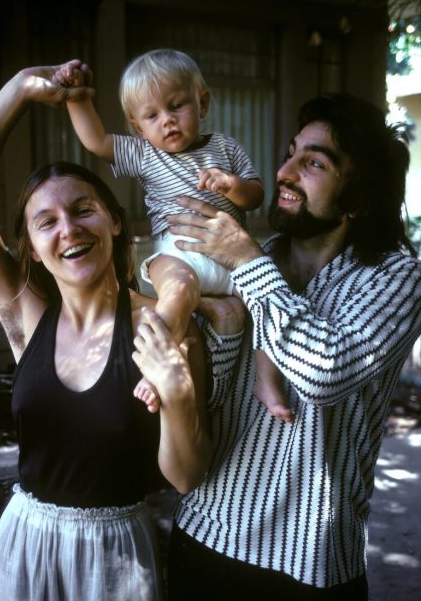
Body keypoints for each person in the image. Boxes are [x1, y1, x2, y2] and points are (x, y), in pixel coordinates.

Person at [0, 64, 216, 601]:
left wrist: (179, 396)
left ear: (115, 220)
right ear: (33, 250)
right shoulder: (27, 318)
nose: (69, 228)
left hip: (116, 561)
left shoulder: (160, 321)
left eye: (84, 209)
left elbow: (186, 476)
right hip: (28, 545)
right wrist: (19, 90)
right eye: (47, 221)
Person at [163, 93, 421, 601]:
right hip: (204, 543)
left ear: (359, 199)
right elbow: (211, 395)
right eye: (289, 154)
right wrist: (217, 323)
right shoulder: (254, 256)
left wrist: (250, 267)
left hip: (309, 571)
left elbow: (324, 371)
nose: (283, 172)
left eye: (315, 163)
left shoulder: (396, 276)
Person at [55, 49, 294, 422]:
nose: (166, 120)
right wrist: (78, 99)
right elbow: (96, 141)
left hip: (233, 258)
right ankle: (156, 366)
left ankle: (267, 380)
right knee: (177, 292)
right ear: (138, 127)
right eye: (152, 115)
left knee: (266, 306)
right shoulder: (146, 154)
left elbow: (257, 194)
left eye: (176, 106)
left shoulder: (226, 147)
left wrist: (231, 186)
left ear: (202, 103)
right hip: (178, 252)